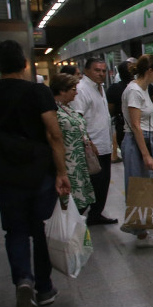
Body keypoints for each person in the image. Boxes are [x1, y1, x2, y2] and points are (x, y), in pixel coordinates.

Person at [0, 40, 71, 307]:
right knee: (41, 230)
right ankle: (45, 287)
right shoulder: (37, 92)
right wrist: (62, 172)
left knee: (14, 231)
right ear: (25, 64)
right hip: (39, 173)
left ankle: (22, 280)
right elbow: (53, 134)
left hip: (5, 174)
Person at [120, 54, 153, 248]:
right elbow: (135, 125)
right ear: (149, 71)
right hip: (137, 141)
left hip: (147, 140)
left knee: (152, 184)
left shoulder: (144, 88)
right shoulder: (134, 91)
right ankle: (140, 230)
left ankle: (138, 226)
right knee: (140, 187)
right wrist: (146, 154)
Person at [70, 57, 118, 225]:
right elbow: (78, 118)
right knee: (92, 184)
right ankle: (77, 218)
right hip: (91, 147)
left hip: (103, 146)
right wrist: (88, 142)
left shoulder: (100, 88)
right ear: (86, 70)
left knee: (103, 184)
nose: (101, 74)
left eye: (104, 71)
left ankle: (96, 214)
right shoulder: (81, 89)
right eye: (97, 70)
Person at [50, 73, 96, 213]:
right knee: (69, 203)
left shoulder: (67, 108)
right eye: (73, 90)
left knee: (80, 203)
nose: (76, 93)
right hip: (67, 164)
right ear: (62, 90)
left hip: (78, 163)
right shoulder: (53, 111)